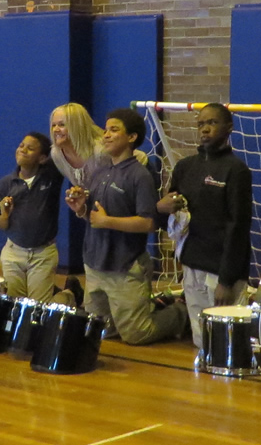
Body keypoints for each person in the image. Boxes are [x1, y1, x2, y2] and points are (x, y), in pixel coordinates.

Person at [64, 108, 186, 345]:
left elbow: (148, 223)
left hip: (125, 265)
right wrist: (80, 208)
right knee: (101, 331)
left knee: (137, 334)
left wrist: (107, 221)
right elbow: (93, 215)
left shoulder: (139, 175)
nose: (106, 135)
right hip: (95, 264)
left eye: (114, 130)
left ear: (131, 137)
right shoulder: (99, 172)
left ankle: (180, 313)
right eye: (106, 130)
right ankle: (141, 307)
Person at [156, 103, 252, 350]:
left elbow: (238, 227)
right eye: (201, 124)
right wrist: (163, 206)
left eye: (212, 123)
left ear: (228, 128)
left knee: (228, 343)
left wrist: (227, 280)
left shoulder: (236, 169)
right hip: (191, 265)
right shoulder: (186, 167)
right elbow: (169, 214)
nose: (205, 129)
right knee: (202, 341)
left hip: (221, 270)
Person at [0, 132, 64, 303]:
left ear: (42, 158)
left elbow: (62, 151)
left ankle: (67, 296)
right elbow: (2, 225)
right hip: (13, 253)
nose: (23, 150)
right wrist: (5, 214)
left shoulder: (51, 177)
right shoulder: (6, 183)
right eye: (21, 145)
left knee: (37, 308)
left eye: (30, 148)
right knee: (14, 305)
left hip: (43, 254)